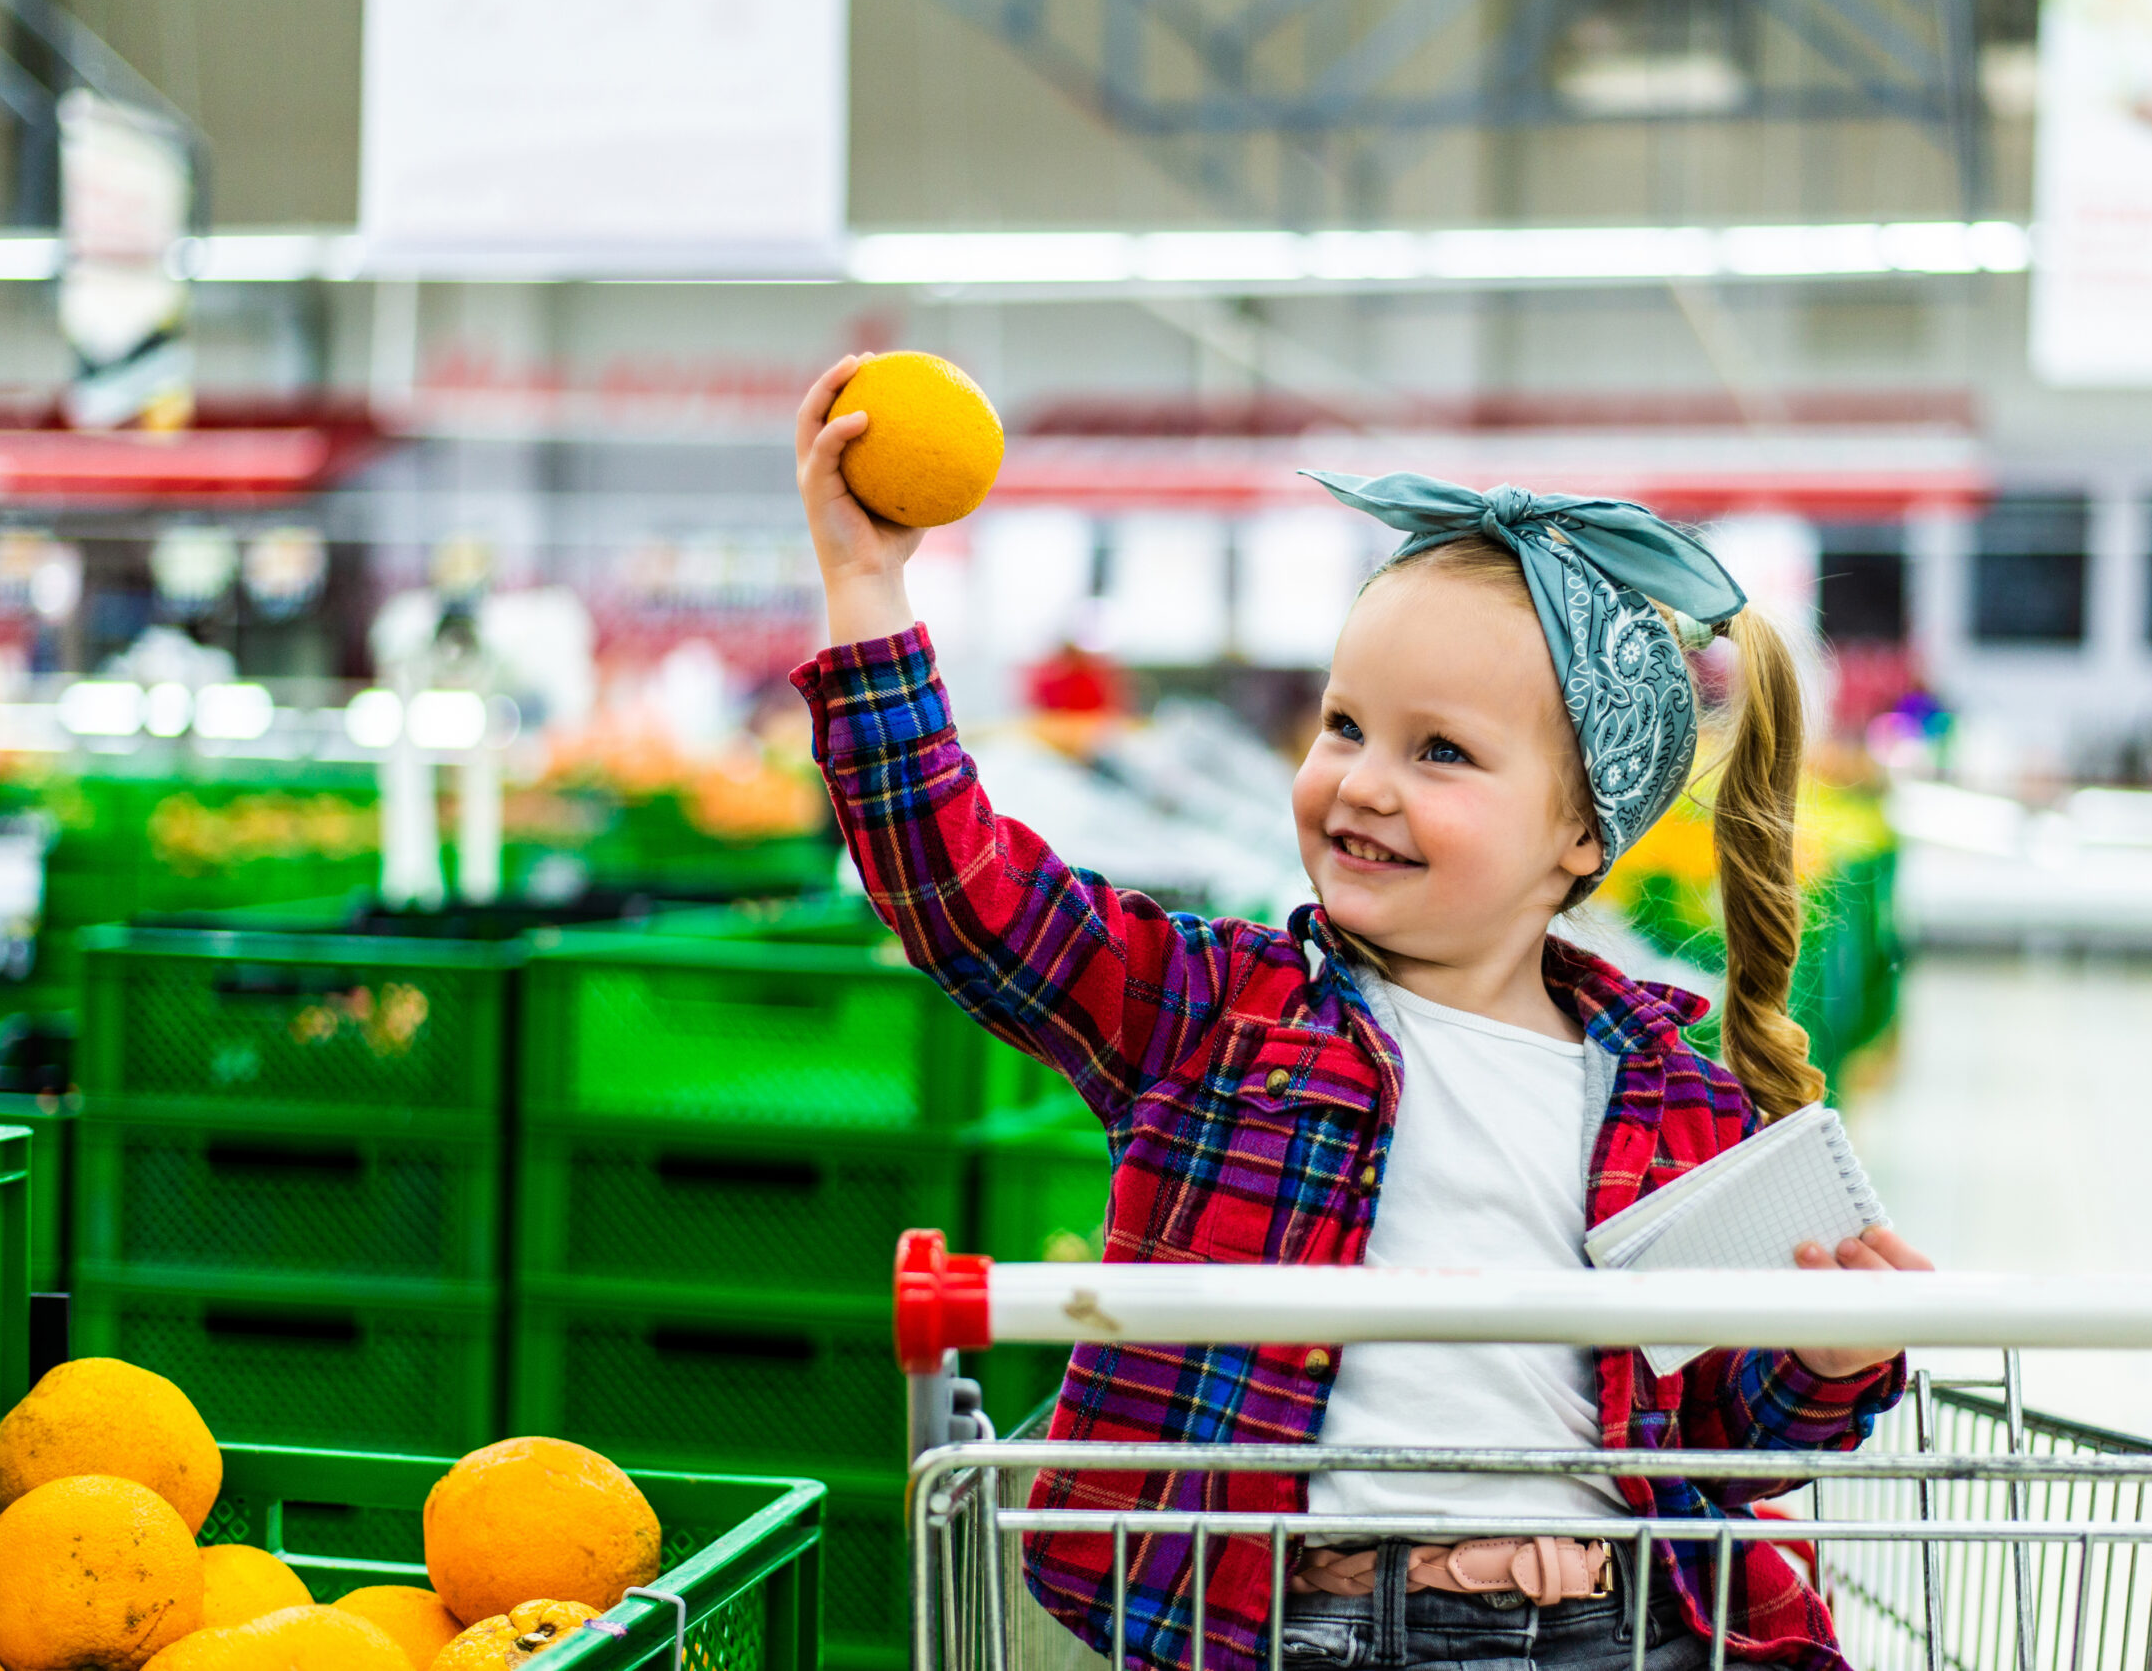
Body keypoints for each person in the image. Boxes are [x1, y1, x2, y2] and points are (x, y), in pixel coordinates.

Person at [790, 356, 1933, 1671]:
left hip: (1604, 1631)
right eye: (1344, 726)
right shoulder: (1219, 1017)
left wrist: (1837, 1354)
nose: (1363, 784)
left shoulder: (1684, 1101)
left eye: (1440, 750)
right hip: (1301, 1624)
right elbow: (965, 892)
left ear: (1579, 832)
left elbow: (1726, 1433)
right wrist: (867, 587)